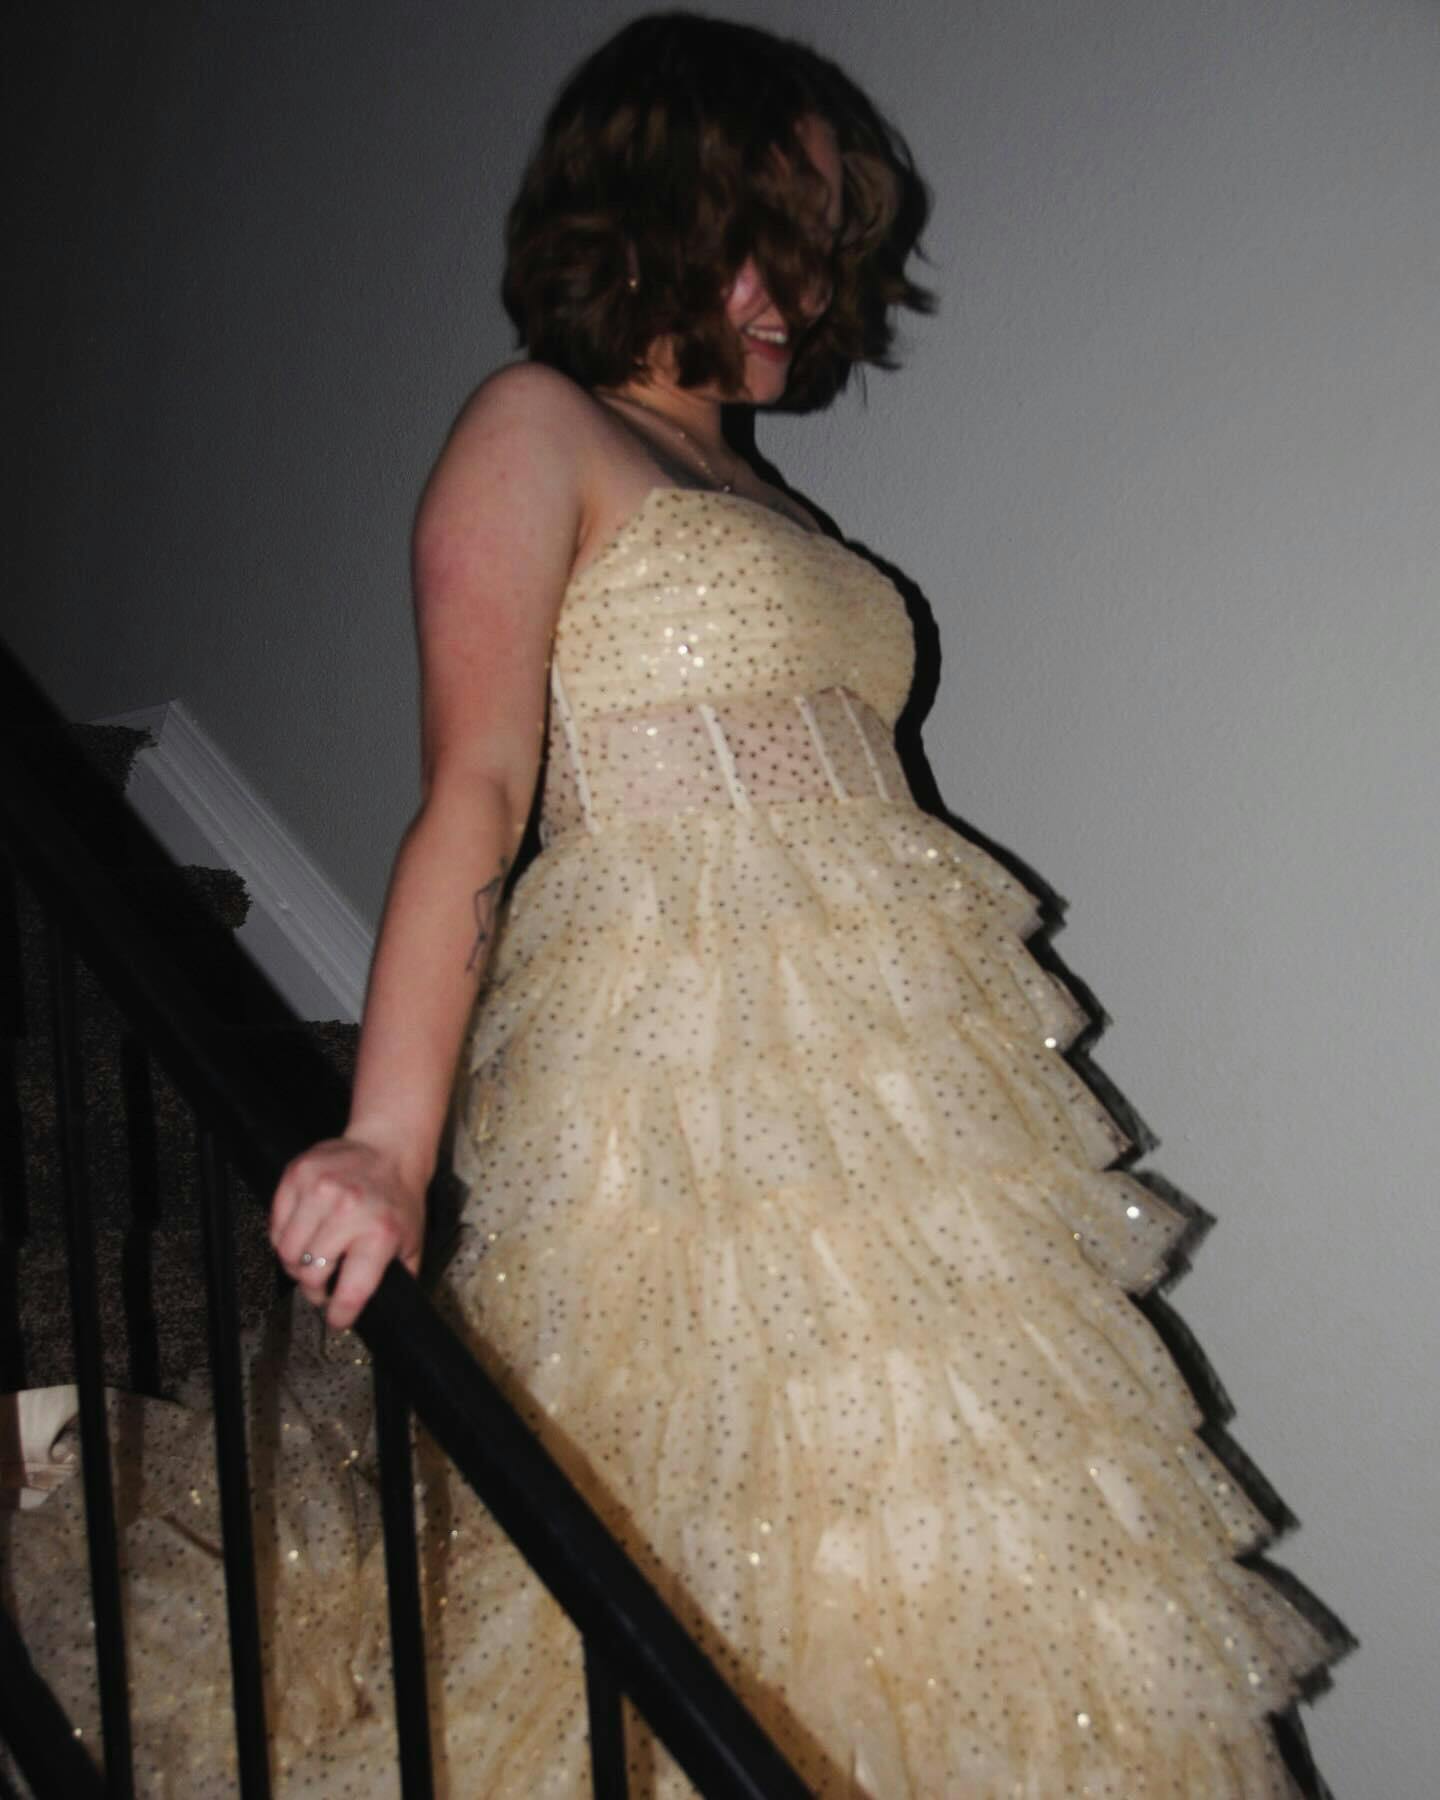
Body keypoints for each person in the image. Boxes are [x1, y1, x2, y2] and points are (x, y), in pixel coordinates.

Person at [2, 12, 1353, 1796]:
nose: (800, 289)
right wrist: (389, 1141)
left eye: (820, 246)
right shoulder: (537, 425)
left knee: (961, 1524)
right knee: (704, 1540)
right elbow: (477, 794)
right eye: (763, 237)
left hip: (896, 1073)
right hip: (680, 1058)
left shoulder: (764, 494)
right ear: (639, 211)